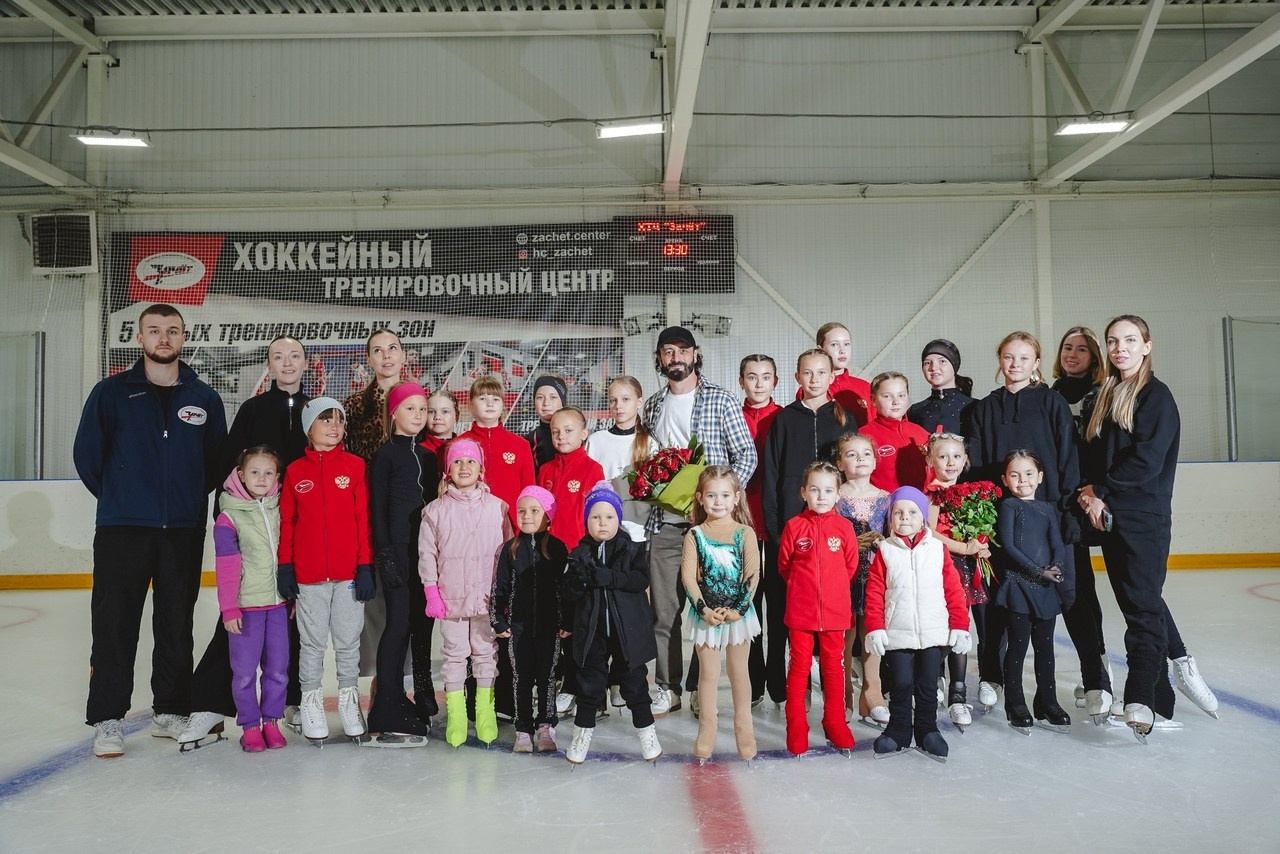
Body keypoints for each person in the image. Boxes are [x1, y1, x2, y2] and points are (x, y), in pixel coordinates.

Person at [74, 303, 228, 758]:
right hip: (123, 527)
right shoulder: (111, 392)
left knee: (176, 622)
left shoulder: (204, 397)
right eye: (155, 330)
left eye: (173, 331)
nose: (164, 338)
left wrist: (182, 500)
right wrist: (124, 496)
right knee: (114, 623)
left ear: (184, 338)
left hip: (182, 528)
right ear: (139, 338)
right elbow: (88, 457)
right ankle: (108, 719)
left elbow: (215, 463)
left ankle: (171, 709)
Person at [182, 334, 310, 749]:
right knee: (238, 625)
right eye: (278, 357)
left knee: (293, 621)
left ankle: (290, 702)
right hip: (258, 532)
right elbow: (228, 468)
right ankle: (209, 704)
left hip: (302, 532)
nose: (287, 363)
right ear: (269, 365)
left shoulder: (316, 410)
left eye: (294, 356)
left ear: (306, 363)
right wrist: (233, 518)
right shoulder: (253, 410)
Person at [1078, 315, 1202, 740]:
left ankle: (1140, 697)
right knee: (1135, 606)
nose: (1120, 348)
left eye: (1130, 340)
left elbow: (1147, 460)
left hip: (1144, 517)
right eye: (1113, 341)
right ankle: (1161, 704)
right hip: (1110, 516)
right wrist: (1089, 493)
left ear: (1147, 346)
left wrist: (1101, 488)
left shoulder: (1156, 396)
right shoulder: (1107, 394)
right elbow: (1094, 458)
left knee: (1145, 610)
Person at [641, 326, 757, 716]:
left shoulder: (721, 399)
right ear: (660, 358)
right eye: (667, 352)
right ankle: (666, 687)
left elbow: (746, 455)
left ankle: (698, 687)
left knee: (709, 604)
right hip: (667, 524)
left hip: (711, 528)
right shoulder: (653, 405)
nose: (675, 358)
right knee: (665, 610)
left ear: (695, 354)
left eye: (682, 351)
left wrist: (720, 502)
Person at [965, 331, 1083, 714]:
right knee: (1004, 613)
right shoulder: (984, 409)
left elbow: (1067, 460)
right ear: (1000, 361)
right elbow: (979, 467)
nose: (1015, 364)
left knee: (1053, 612)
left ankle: (1067, 690)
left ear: (1036, 363)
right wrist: (983, 521)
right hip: (1002, 524)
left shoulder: (1053, 404)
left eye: (1024, 357)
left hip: (1046, 524)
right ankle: (997, 682)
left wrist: (1067, 512)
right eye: (1008, 357)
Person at [278, 397, 375, 745]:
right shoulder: (294, 472)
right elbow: (287, 522)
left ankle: (350, 700)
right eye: (325, 420)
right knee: (313, 644)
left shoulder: (355, 466)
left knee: (348, 644)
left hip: (349, 575)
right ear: (309, 427)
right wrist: (285, 566)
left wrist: (365, 566)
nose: (334, 426)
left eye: (338, 420)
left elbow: (363, 519)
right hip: (308, 576)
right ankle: (311, 701)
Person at [760, 348, 850, 705]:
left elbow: (852, 469)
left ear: (832, 376)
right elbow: (770, 475)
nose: (814, 379)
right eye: (807, 373)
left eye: (820, 372)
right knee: (785, 612)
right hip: (789, 531)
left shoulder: (843, 419)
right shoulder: (784, 420)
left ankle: (831, 682)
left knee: (831, 612)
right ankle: (782, 686)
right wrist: (774, 527)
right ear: (797, 377)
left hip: (831, 532)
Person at [864, 486, 971, 762]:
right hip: (897, 633)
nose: (905, 517)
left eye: (912, 512)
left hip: (933, 634)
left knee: (926, 684)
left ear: (923, 518)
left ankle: (927, 730)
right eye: (898, 512)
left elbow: (954, 590)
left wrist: (959, 625)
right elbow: (875, 593)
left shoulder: (937, 549)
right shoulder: (885, 551)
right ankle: (898, 730)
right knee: (899, 683)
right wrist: (875, 627)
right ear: (890, 518)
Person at [419, 438, 513, 747]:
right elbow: (427, 555)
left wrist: (506, 597)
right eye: (457, 462)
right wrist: (432, 592)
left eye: (470, 461)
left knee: (486, 653)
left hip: (488, 598)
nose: (464, 467)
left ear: (481, 469)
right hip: (452, 598)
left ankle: (484, 712)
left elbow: (508, 555)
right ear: (447, 470)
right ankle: (457, 716)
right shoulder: (435, 511)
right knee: (454, 656)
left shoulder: (498, 508)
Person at [560, 482, 663, 764]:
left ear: (618, 519)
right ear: (586, 521)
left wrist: (612, 578)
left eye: (608, 517)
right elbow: (567, 594)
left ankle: (647, 732)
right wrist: (577, 583)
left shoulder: (630, 549)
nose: (602, 523)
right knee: (589, 685)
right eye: (595, 517)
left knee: (634, 684)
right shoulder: (579, 552)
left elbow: (640, 579)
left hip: (626, 633)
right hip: (592, 633)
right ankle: (581, 736)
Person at [343, 329, 420, 696]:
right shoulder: (356, 407)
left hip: (412, 519)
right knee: (376, 605)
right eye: (378, 350)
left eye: (393, 349)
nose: (386, 356)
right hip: (371, 517)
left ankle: (401, 681)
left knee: (406, 606)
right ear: (369, 359)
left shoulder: (418, 400)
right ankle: (378, 679)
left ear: (403, 355)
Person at [366, 382, 437, 745]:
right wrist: (385, 554)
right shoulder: (384, 456)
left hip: (424, 553)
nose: (419, 415)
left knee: (419, 627)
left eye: (423, 409)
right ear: (394, 412)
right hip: (397, 551)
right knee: (397, 625)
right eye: (411, 409)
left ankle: (410, 696)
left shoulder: (428, 455)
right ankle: (385, 704)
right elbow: (376, 509)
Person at [1050, 326, 1117, 713]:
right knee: (1080, 591)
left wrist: (1097, 491)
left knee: (1122, 589)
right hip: (1064, 504)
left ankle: (1108, 671)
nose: (1073, 355)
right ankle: (1098, 670)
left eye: (1081, 349)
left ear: (1094, 356)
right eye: (1067, 348)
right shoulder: (1053, 393)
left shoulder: (1104, 393)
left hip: (1095, 500)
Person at [777, 461, 858, 756]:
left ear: (838, 494)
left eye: (828, 490)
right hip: (801, 612)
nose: (821, 496)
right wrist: (804, 591)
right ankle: (796, 726)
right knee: (799, 668)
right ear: (803, 493)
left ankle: (835, 722)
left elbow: (850, 566)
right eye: (814, 490)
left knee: (833, 667)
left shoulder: (845, 527)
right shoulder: (794, 527)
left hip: (836, 612)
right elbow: (785, 566)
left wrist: (831, 594)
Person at [681, 467, 761, 763]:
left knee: (739, 672)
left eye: (725, 495)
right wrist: (702, 608)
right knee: (709, 674)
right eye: (712, 495)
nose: (718, 501)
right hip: (707, 614)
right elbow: (689, 577)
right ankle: (707, 727)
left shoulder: (745, 534)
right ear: (700, 498)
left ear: (736, 498)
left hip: (739, 613)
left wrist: (738, 609)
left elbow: (752, 574)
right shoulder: (695, 535)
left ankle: (744, 727)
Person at [213, 446, 288, 752]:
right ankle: (250, 725)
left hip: (279, 605)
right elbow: (227, 569)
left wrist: (290, 596)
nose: (261, 478)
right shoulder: (228, 518)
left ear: (277, 477)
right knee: (244, 672)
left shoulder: (280, 508)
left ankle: (271, 720)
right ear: (241, 475)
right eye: (255, 472)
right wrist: (229, 608)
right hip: (247, 608)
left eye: (268, 473)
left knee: (278, 669)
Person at [995, 451, 1074, 734]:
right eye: (1014, 475)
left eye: (1028, 474)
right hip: (1019, 583)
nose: (1022, 480)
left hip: (1045, 586)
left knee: (1046, 648)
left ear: (1040, 477)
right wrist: (1038, 571)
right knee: (1017, 647)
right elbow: (1009, 546)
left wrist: (1057, 566)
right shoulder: (1009, 506)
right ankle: (1015, 702)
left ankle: (1047, 701)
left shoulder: (1048, 508)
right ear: (1005, 480)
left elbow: (1056, 540)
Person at [491, 486, 569, 753]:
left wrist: (567, 622)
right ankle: (523, 728)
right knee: (521, 678)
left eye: (534, 511)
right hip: (519, 628)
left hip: (550, 629)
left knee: (547, 677)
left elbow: (565, 589)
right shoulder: (508, 550)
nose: (526, 516)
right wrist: (498, 621)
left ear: (548, 515)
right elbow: (499, 588)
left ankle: (546, 726)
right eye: (521, 511)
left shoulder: (558, 549)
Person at [923, 432, 990, 731]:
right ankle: (933, 680)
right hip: (942, 568)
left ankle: (958, 695)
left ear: (965, 461)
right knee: (942, 628)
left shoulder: (970, 493)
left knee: (962, 631)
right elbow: (930, 531)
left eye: (956, 456)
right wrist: (964, 547)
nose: (950, 462)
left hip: (966, 570)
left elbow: (980, 528)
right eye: (942, 456)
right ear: (930, 460)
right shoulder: (932, 495)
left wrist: (982, 545)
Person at [833, 432, 890, 729]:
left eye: (866, 453)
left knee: (873, 635)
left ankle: (873, 693)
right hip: (843, 575)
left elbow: (893, 537)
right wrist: (854, 543)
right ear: (840, 463)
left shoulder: (885, 498)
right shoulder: (834, 497)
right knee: (845, 636)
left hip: (875, 578)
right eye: (852, 455)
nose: (860, 459)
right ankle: (843, 693)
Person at [738, 355, 782, 706]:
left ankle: (779, 683)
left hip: (777, 523)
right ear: (742, 382)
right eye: (752, 377)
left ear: (776, 382)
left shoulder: (785, 418)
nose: (758, 384)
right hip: (742, 522)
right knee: (750, 604)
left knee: (779, 604)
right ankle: (752, 684)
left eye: (765, 377)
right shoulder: (731, 417)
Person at [459, 374, 535, 527]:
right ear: (470, 405)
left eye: (495, 399)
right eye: (482, 398)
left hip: (510, 526)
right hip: (468, 526)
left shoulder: (520, 445)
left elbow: (529, 491)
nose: (489, 404)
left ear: (503, 405)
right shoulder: (459, 444)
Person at [539, 407, 607, 564]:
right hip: (547, 550)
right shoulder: (545, 470)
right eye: (555, 432)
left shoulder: (593, 469)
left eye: (568, 430)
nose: (561, 436)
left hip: (578, 550)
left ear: (584, 433)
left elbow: (597, 512)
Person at [860, 371, 931, 493]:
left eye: (901, 395)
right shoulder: (863, 436)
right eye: (887, 396)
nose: (896, 401)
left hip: (921, 507)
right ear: (873, 400)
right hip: (883, 508)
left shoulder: (921, 433)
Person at [797, 322, 872, 428]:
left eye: (846, 344)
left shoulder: (865, 387)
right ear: (820, 349)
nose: (842, 350)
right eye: (834, 345)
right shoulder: (811, 388)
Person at [907, 338, 975, 436]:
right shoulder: (915, 411)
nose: (933, 367)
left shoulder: (976, 407)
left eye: (942, 361)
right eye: (927, 363)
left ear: (954, 366)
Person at [527, 374, 567, 473]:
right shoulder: (528, 442)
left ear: (563, 401)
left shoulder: (576, 436)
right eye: (540, 397)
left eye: (553, 397)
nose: (546, 403)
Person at [422, 389, 460, 469]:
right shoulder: (418, 451)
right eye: (431, 412)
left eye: (445, 411)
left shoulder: (464, 447)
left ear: (456, 416)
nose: (437, 417)